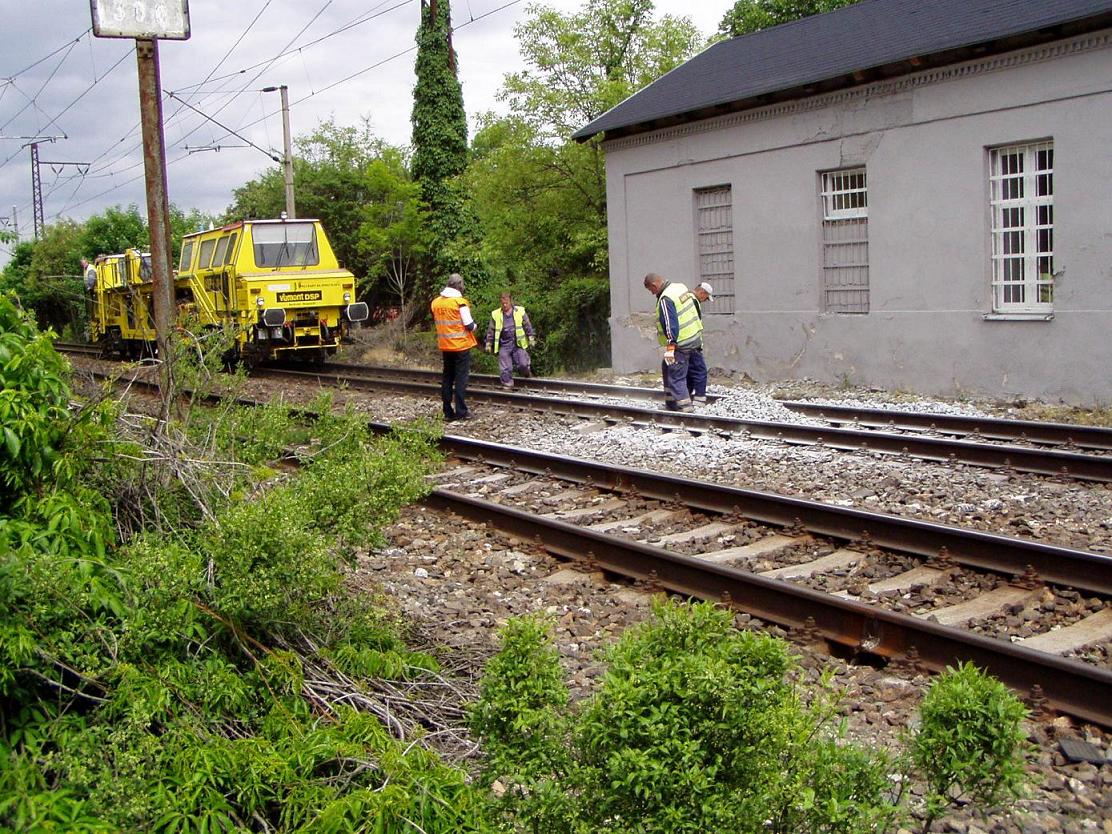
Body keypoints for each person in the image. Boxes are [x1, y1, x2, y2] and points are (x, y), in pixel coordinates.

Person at [643, 272, 703, 412]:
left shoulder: (665, 298)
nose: (652, 293)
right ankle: (670, 403)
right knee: (667, 366)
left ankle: (685, 408)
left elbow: (670, 323)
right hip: (694, 338)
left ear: (654, 285)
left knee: (675, 376)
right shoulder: (680, 287)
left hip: (681, 342)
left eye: (650, 290)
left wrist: (671, 346)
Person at [431, 273, 478, 421]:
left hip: (445, 346)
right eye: (462, 284)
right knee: (460, 379)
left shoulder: (436, 303)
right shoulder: (460, 303)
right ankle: (461, 411)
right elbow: (469, 325)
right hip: (461, 346)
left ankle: (447, 411)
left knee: (447, 378)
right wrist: (476, 326)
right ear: (458, 285)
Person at [485, 292, 536, 389]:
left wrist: (531, 338)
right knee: (505, 368)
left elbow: (527, 325)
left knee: (523, 364)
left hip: (518, 344)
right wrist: (488, 343)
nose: (504, 305)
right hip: (504, 344)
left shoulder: (519, 311)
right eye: (502, 303)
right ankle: (507, 384)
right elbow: (491, 330)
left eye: (506, 303)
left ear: (510, 302)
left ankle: (527, 372)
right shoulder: (496, 314)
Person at [686, 282, 713, 405]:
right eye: (706, 298)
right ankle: (700, 400)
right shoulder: (694, 301)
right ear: (702, 293)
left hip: (685, 342)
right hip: (692, 343)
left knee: (690, 372)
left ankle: (685, 397)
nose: (705, 300)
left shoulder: (687, 298)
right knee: (700, 371)